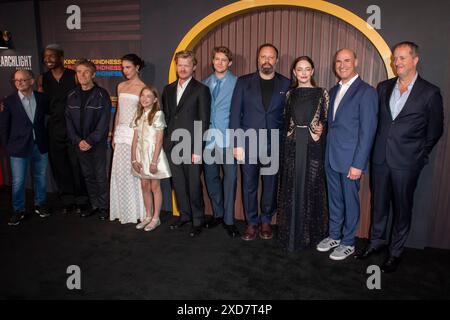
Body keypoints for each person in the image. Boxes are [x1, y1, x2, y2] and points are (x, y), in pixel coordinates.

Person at [355, 42, 444, 272]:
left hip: (407, 162)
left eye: (403, 58)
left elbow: (435, 130)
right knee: (379, 204)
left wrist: (418, 155)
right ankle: (375, 243)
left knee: (402, 209)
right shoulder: (383, 87)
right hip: (381, 158)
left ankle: (395, 253)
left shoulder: (430, 92)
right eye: (395, 58)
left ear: (415, 60)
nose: (397, 63)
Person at [317, 48, 378, 260]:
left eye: (346, 60)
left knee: (350, 201)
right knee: (334, 199)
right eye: (338, 61)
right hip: (331, 157)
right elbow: (334, 125)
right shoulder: (332, 91)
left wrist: (358, 164)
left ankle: (349, 242)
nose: (342, 65)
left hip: (351, 160)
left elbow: (367, 131)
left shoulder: (367, 92)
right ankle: (334, 235)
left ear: (356, 62)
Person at [229, 43, 290, 241]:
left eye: (271, 57)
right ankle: (252, 223)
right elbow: (235, 115)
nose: (266, 60)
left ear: (276, 60)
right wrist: (237, 144)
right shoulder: (243, 82)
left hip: (274, 143)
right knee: (249, 185)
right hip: (248, 143)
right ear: (258, 59)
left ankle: (266, 221)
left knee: (271, 185)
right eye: (263, 56)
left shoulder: (286, 84)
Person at [277, 56, 329, 251]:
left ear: (313, 71)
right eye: (300, 69)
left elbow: (326, 120)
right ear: (294, 72)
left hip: (313, 145)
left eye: (308, 69)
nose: (304, 73)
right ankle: (292, 236)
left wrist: (322, 129)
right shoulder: (290, 94)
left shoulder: (321, 93)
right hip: (292, 145)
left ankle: (308, 236)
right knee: (292, 188)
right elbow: (285, 121)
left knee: (310, 187)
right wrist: (290, 134)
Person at [162, 50, 211, 237]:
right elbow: (167, 117)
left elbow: (204, 121)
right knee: (179, 184)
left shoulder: (201, 90)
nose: (182, 68)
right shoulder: (167, 89)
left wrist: (198, 149)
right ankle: (184, 215)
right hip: (173, 146)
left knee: (193, 184)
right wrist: (166, 142)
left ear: (194, 67)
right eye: (180, 64)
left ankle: (197, 219)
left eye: (186, 65)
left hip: (192, 147)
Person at [37, 44, 88, 215]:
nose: (47, 59)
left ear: (61, 58)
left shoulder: (74, 76)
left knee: (76, 166)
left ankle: (82, 200)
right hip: (54, 128)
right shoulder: (42, 79)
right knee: (59, 166)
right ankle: (67, 200)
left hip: (74, 128)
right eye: (45, 56)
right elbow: (39, 103)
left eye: (52, 56)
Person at [0, 69, 50, 225]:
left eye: (22, 80)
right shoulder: (8, 102)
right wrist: (7, 147)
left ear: (32, 81)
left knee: (40, 178)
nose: (19, 83)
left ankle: (40, 205)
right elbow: (3, 127)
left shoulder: (42, 98)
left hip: (39, 145)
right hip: (18, 148)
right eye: (16, 80)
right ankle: (18, 210)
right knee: (18, 181)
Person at [65, 59, 111, 220]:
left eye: (85, 72)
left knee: (99, 176)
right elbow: (68, 121)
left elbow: (104, 123)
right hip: (79, 144)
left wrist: (90, 141)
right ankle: (94, 205)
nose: (82, 75)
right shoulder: (72, 95)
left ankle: (104, 207)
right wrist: (78, 141)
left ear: (93, 74)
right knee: (88, 175)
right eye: (78, 72)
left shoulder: (101, 95)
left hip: (96, 145)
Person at [202, 46, 239, 238]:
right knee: (212, 179)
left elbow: (241, 113)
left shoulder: (238, 83)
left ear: (229, 63)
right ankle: (218, 214)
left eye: (224, 60)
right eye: (217, 59)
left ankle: (230, 220)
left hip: (229, 139)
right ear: (213, 61)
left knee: (230, 180)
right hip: (208, 140)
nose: (220, 63)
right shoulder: (204, 83)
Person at [110, 54, 146, 224]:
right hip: (120, 134)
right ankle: (122, 210)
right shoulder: (120, 86)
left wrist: (139, 138)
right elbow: (118, 112)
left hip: (134, 135)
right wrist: (114, 134)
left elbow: (143, 116)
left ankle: (137, 211)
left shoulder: (143, 88)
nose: (124, 71)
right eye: (123, 67)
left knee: (135, 174)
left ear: (137, 67)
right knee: (120, 174)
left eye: (128, 67)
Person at [131, 86, 171, 231]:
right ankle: (147, 216)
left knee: (155, 187)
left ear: (155, 100)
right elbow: (135, 139)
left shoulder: (158, 114)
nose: (145, 99)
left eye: (149, 96)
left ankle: (156, 218)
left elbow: (159, 140)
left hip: (154, 155)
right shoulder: (138, 113)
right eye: (143, 95)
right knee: (144, 186)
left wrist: (154, 161)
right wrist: (134, 159)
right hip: (140, 156)